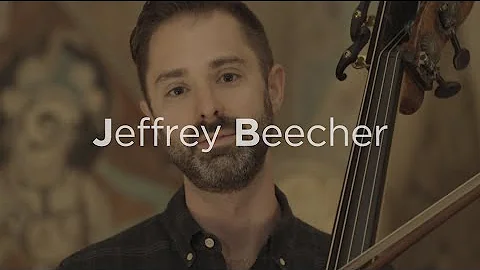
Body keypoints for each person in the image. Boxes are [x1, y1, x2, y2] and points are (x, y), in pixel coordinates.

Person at [56, 1, 333, 269]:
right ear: (153, 120)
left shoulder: (345, 262)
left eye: (228, 77)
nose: (208, 109)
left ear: (273, 90)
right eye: (177, 90)